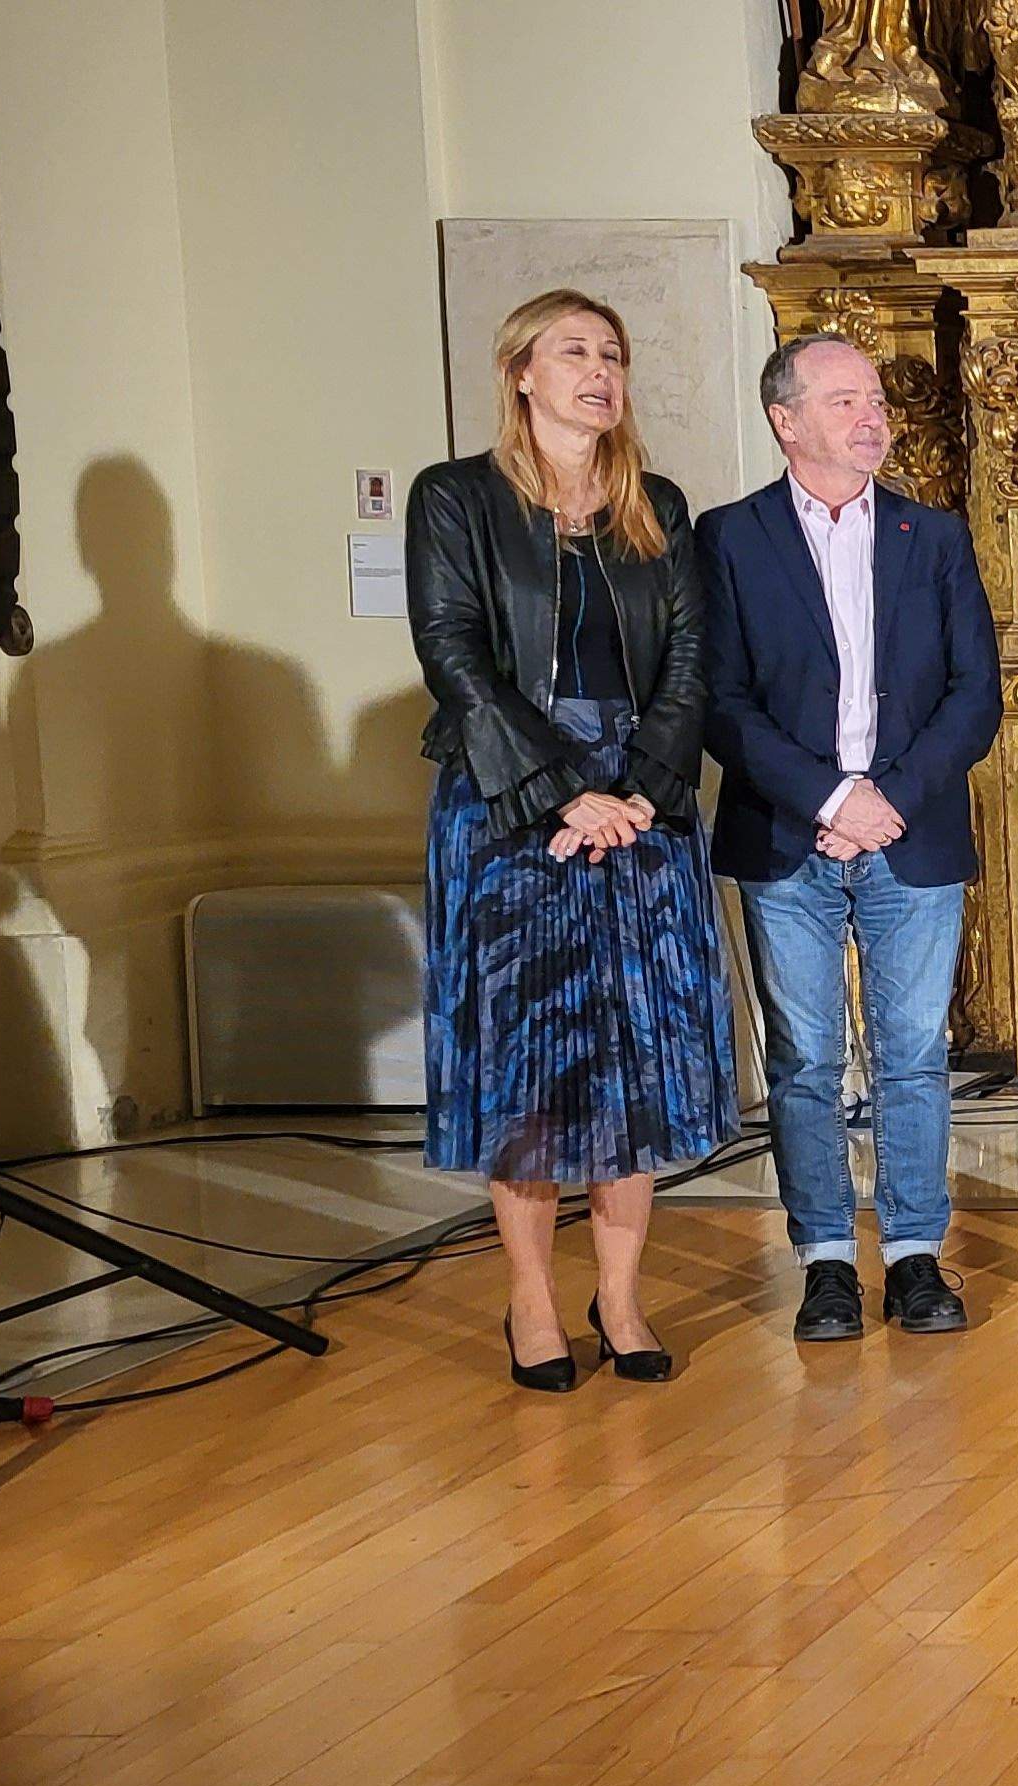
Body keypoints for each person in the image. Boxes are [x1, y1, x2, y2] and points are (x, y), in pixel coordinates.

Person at [407, 288, 732, 1392]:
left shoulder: (660, 504)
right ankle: (534, 1307)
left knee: (633, 1071)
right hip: (512, 813)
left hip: (640, 813)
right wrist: (558, 798)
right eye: (574, 352)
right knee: (531, 1077)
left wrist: (639, 791)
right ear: (521, 374)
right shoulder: (454, 498)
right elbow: (454, 658)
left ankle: (623, 1300)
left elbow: (692, 662)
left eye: (613, 354)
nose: (598, 370)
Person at [698, 334, 1000, 1345]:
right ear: (786, 421)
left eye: (874, 400)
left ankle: (915, 1254)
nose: (871, 417)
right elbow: (721, 704)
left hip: (909, 835)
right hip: (790, 837)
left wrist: (886, 801)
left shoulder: (935, 535)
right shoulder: (729, 538)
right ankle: (826, 1260)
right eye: (843, 402)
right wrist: (831, 801)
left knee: (913, 1054)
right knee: (805, 1059)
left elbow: (974, 697)